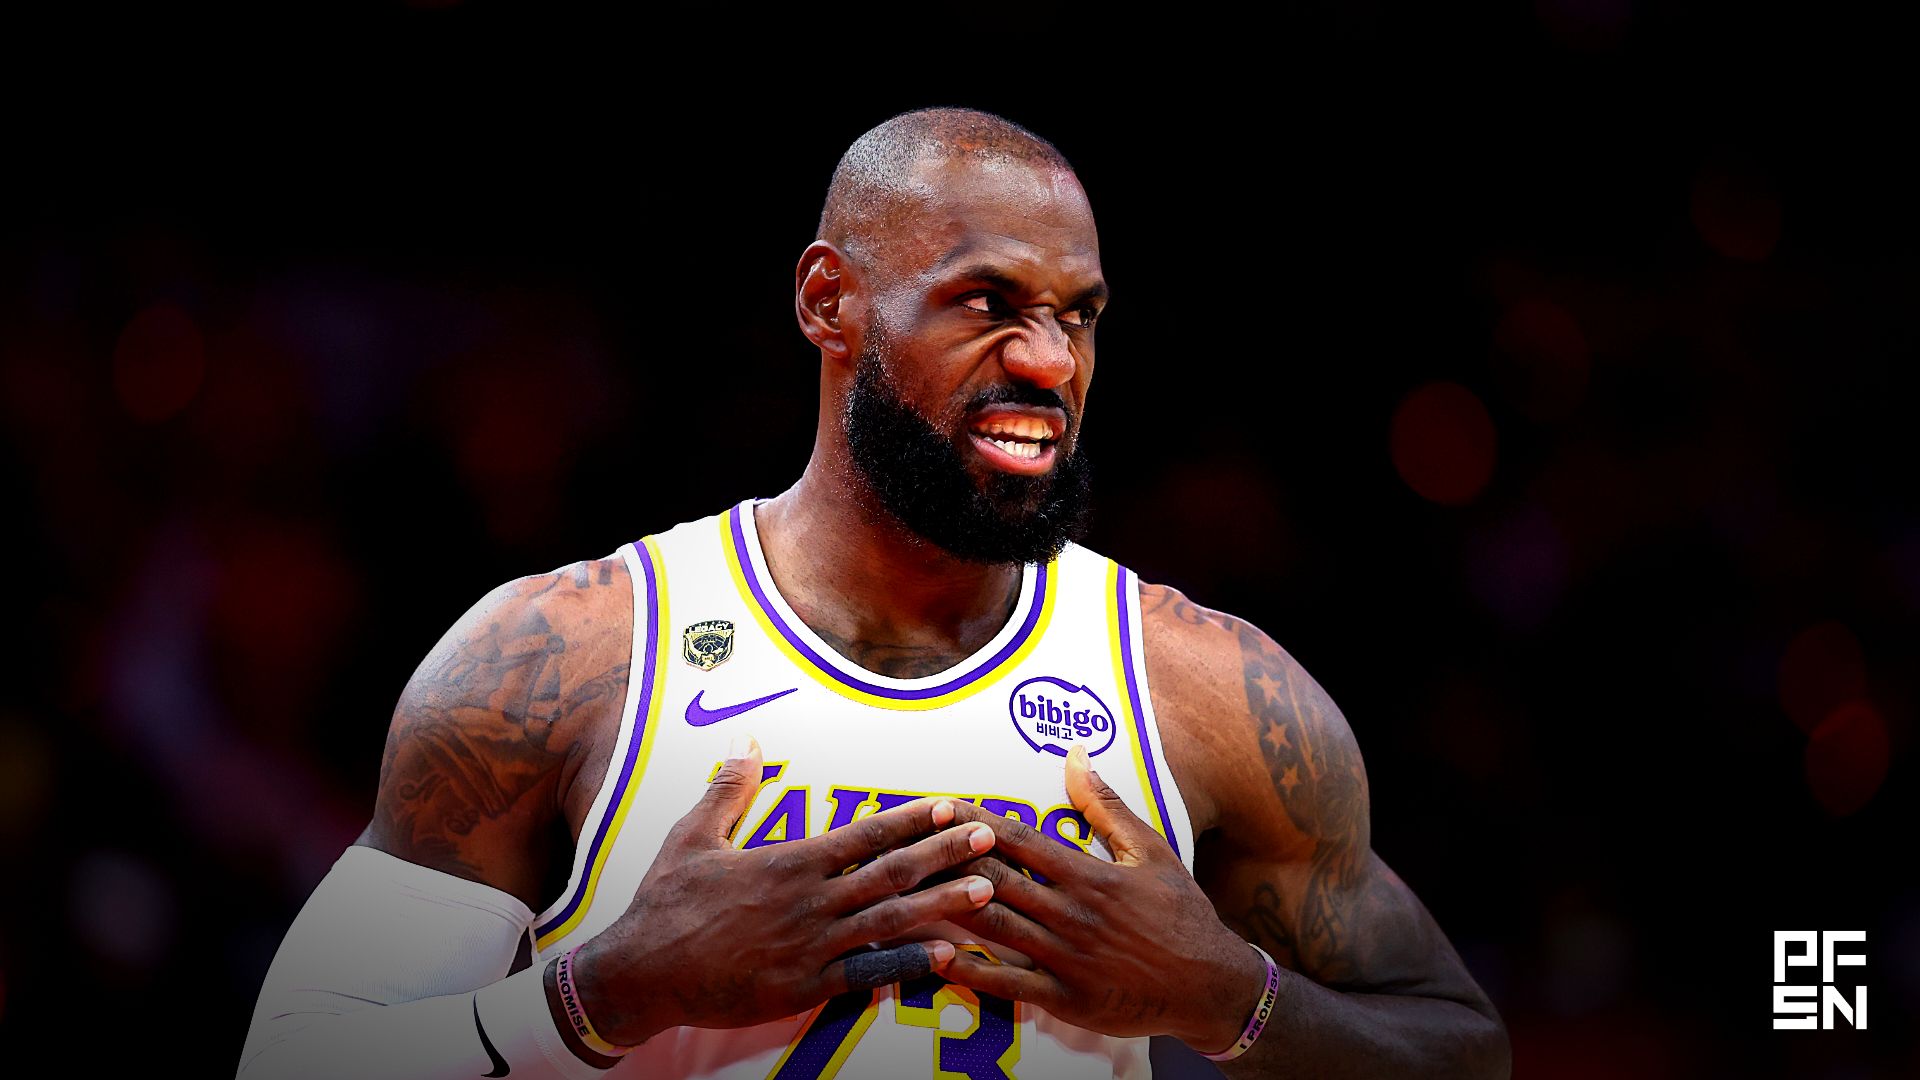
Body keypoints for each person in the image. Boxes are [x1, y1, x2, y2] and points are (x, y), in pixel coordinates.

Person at [237, 106, 1509, 1079]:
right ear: (828, 300)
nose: (1049, 360)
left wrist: (1231, 997)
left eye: (1080, 314)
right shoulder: (567, 656)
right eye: (988, 303)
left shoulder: (1202, 688)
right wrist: (604, 995)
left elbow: (1460, 1046)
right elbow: (294, 1059)